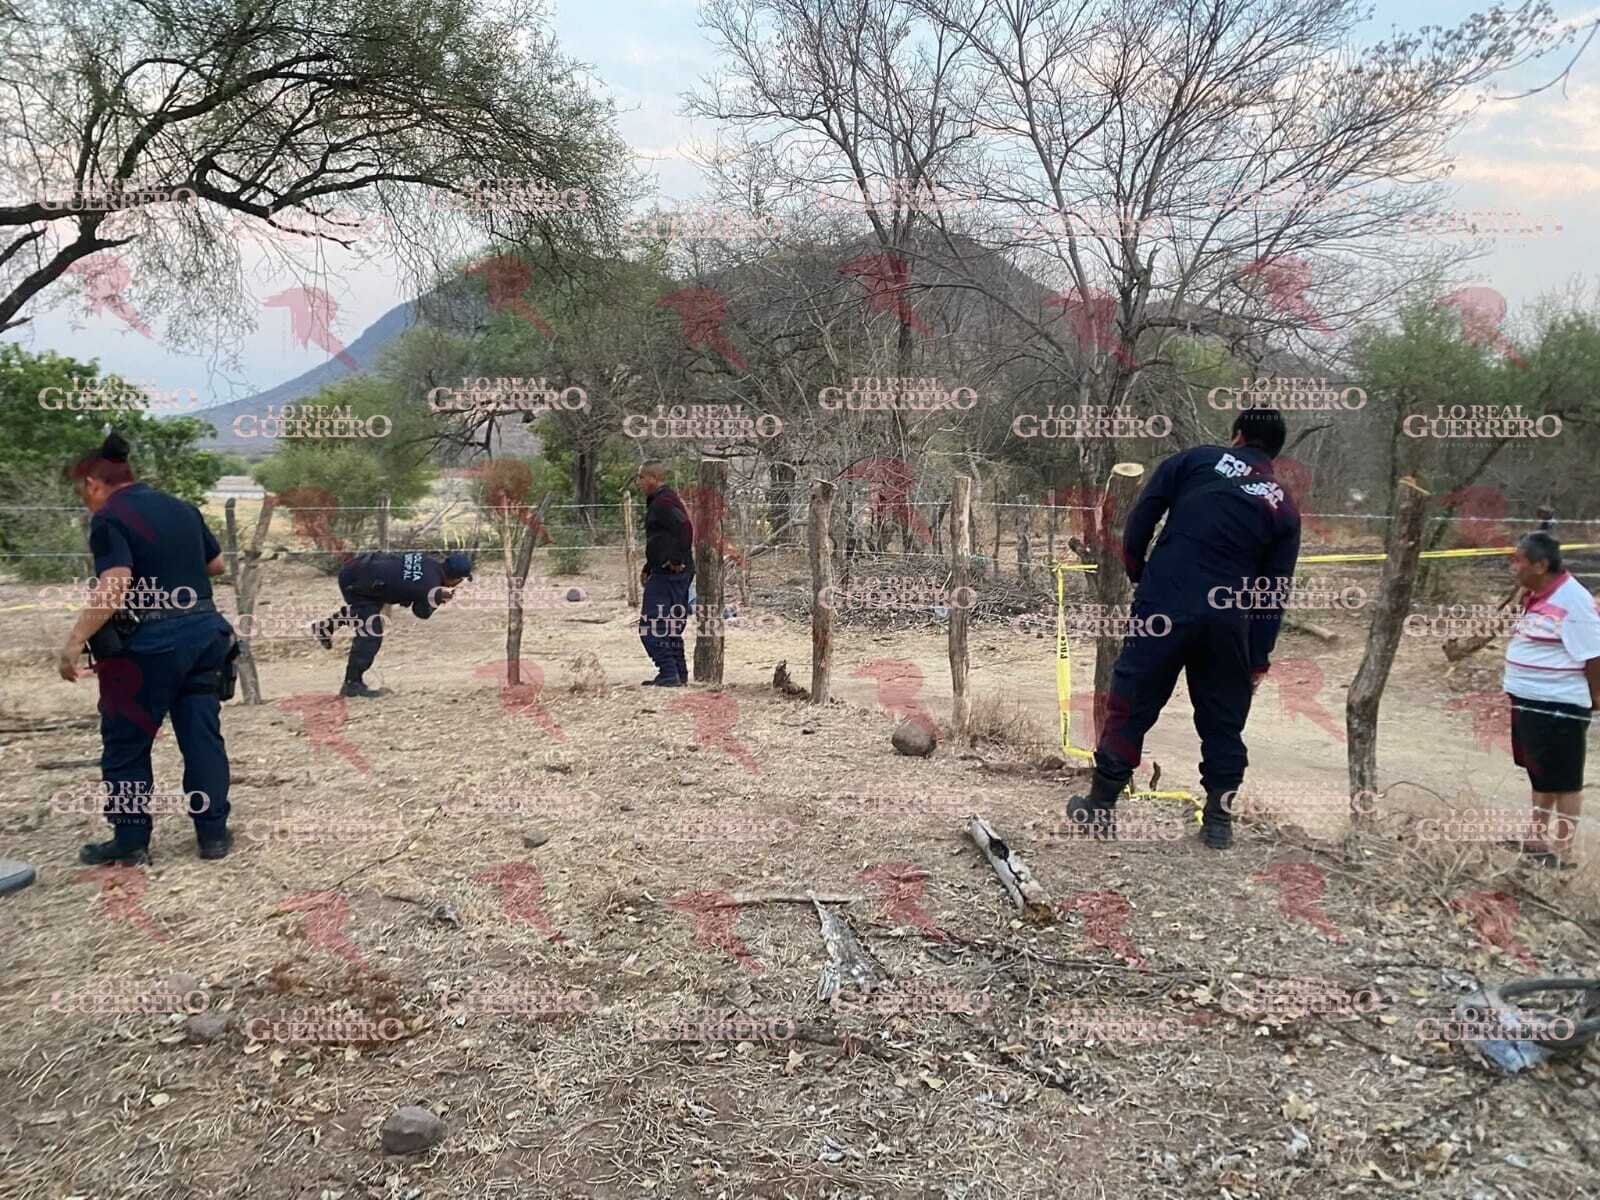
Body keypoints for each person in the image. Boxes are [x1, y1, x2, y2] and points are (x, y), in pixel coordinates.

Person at [1066, 408, 1302, 850]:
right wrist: (1259, 658)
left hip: (1166, 602)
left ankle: (1099, 807)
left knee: (1131, 703)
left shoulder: (1194, 460)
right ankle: (1217, 824)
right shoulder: (1283, 505)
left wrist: (1139, 571)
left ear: (1237, 436)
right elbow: (1273, 592)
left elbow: (1142, 517)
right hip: (1229, 621)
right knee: (1223, 724)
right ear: (1274, 451)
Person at [57, 432, 239, 865]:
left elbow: (114, 583)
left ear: (94, 484)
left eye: (82, 492)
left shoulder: (108, 519)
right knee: (201, 737)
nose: (85, 501)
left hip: (148, 648)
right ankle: (213, 836)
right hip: (205, 636)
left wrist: (75, 641)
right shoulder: (181, 508)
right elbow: (216, 565)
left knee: (126, 744)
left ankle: (131, 841)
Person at [1501, 531, 1600, 870]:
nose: (1514, 568)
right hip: (1530, 701)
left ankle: (1563, 852)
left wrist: (1596, 696)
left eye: (1519, 562)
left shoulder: (1574, 601)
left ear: (1542, 565)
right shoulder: (1537, 594)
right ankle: (1536, 839)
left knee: (1565, 780)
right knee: (1540, 772)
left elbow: (1594, 654)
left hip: (1559, 704)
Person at [312, 551, 473, 697]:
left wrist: (406, 595)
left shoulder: (428, 562)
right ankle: (352, 684)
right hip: (357, 582)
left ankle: (325, 627)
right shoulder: (430, 588)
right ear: (456, 579)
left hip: (359, 568)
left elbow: (404, 577)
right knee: (371, 632)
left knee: (364, 612)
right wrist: (438, 598)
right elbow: (422, 613)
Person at [637, 459, 694, 686]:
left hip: (671, 573)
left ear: (653, 478)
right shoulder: (660, 500)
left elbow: (685, 527)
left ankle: (669, 672)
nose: (638, 482)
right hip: (666, 571)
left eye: (641, 477)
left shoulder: (664, 501)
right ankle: (678, 674)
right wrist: (649, 566)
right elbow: (662, 538)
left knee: (651, 626)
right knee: (670, 625)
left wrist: (677, 560)